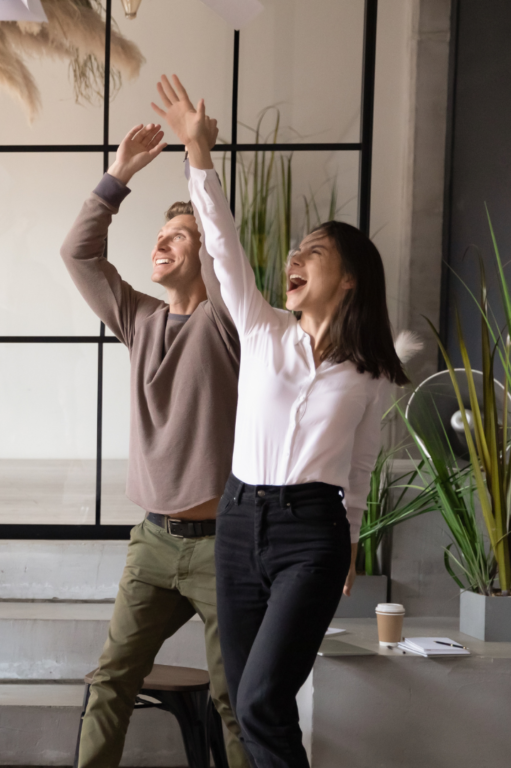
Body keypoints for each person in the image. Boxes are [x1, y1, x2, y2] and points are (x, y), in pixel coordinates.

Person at [155, 74, 407, 768]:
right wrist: (196, 155)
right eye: (296, 252)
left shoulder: (372, 375)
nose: (295, 259)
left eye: (314, 252)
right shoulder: (262, 330)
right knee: (246, 699)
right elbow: (223, 245)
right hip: (237, 526)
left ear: (349, 277)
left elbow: (359, 469)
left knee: (264, 696)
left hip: (313, 536)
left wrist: (351, 539)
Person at [62, 123, 250, 768]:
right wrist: (119, 177)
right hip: (153, 541)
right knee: (112, 679)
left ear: (207, 254)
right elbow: (79, 253)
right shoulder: (138, 318)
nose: (161, 241)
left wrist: (200, 159)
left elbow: (226, 253)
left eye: (180, 235)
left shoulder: (227, 320)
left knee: (236, 698)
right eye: (160, 233)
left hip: (224, 544)